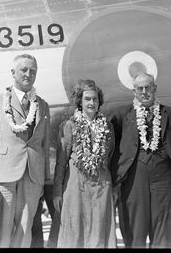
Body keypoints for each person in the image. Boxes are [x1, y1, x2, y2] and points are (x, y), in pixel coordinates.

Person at [0, 54, 51, 248]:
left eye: (33, 71)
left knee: (24, 230)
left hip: (32, 176)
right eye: (24, 70)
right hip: (3, 174)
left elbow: (44, 145)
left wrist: (44, 180)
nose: (29, 74)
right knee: (0, 232)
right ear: (13, 73)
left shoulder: (43, 105)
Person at [110, 72, 171, 248]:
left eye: (148, 87)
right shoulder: (122, 114)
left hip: (163, 177)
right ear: (134, 91)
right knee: (135, 229)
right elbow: (112, 149)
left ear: (155, 88)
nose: (144, 92)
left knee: (163, 228)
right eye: (140, 88)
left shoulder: (169, 113)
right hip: (135, 178)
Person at [53, 79, 116, 248]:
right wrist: (57, 192)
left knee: (99, 230)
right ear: (80, 101)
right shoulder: (69, 125)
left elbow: (110, 156)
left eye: (95, 99)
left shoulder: (107, 127)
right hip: (75, 186)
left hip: (101, 186)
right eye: (87, 99)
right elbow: (61, 162)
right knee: (75, 232)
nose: (92, 102)